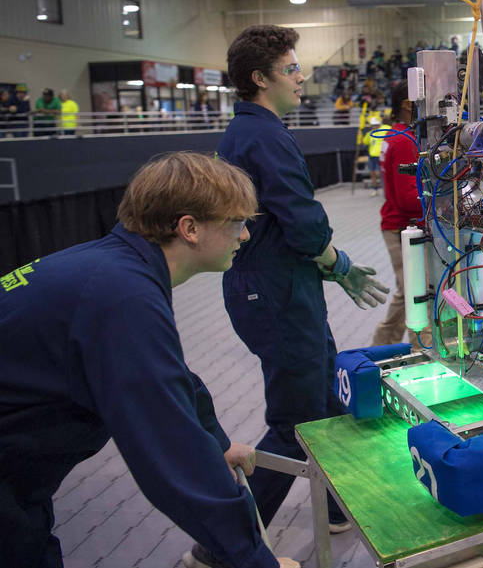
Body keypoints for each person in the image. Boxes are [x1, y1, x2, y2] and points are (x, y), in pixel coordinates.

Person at [0, 152, 299, 568]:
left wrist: (217, 441)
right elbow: (172, 454)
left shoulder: (115, 268)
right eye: (236, 222)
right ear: (189, 228)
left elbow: (167, 376)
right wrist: (255, 561)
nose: (246, 235)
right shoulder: (120, 297)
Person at [216, 25, 389, 552]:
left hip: (281, 285)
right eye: (291, 69)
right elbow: (302, 222)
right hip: (274, 291)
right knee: (296, 417)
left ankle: (340, 504)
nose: (302, 77)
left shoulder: (250, 131)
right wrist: (338, 263)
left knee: (325, 392)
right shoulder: (263, 135)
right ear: (259, 78)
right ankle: (228, 543)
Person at [371, 80, 428, 347]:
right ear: (407, 104)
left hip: (396, 225)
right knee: (417, 295)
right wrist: (442, 201)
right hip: (403, 227)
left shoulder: (394, 134)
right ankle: (423, 354)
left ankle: (381, 350)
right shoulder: (405, 141)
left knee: (408, 293)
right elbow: (408, 199)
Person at [362, 115, 384, 196]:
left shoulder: (382, 132)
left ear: (378, 125)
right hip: (372, 156)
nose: (374, 126)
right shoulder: (369, 133)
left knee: (378, 173)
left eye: (376, 125)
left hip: (380, 156)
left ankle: (384, 188)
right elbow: (365, 142)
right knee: (372, 174)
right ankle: (375, 189)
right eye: (373, 125)